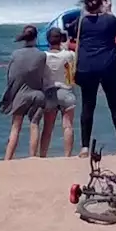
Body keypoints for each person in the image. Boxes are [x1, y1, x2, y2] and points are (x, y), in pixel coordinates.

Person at [74, 0, 116, 158]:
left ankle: (84, 148)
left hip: (86, 67)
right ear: (101, 3)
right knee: (115, 105)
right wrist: (108, 12)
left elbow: (76, 33)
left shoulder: (80, 23)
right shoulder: (109, 20)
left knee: (87, 107)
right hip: (107, 66)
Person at [0, 25, 49, 160]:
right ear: (36, 37)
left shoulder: (16, 54)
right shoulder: (41, 55)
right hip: (37, 94)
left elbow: (11, 76)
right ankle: (33, 157)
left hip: (20, 95)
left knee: (16, 127)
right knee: (34, 125)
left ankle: (7, 158)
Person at [38, 28, 77, 157]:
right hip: (66, 91)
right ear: (61, 39)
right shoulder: (69, 55)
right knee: (68, 126)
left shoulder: (43, 56)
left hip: (50, 92)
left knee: (48, 128)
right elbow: (73, 64)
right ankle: (67, 156)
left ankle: (43, 155)